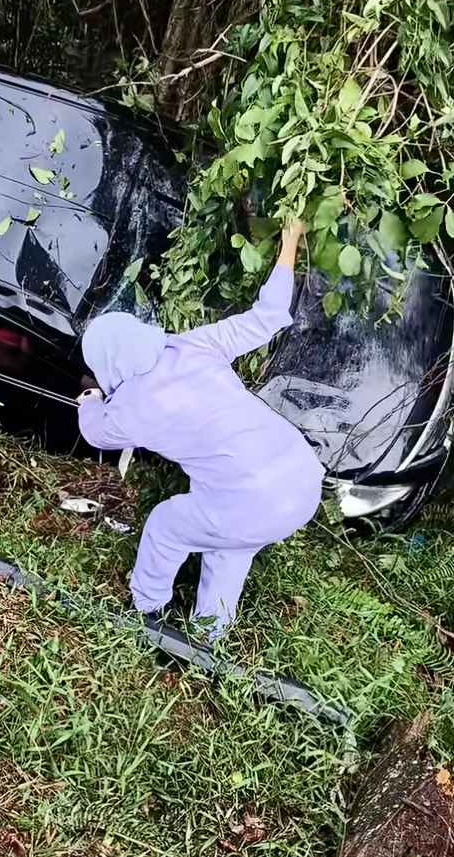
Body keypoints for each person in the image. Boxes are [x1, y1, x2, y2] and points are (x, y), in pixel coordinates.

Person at [76, 218, 324, 638]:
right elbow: (267, 316)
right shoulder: (195, 345)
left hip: (252, 497)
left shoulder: (134, 406)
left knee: (167, 524)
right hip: (301, 483)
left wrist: (91, 401)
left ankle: (146, 610)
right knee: (231, 545)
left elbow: (98, 434)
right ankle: (210, 637)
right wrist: (290, 241)